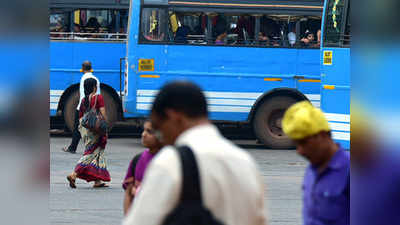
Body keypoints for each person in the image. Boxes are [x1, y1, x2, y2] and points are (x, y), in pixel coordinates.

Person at [122, 81, 267, 225]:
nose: (160, 136)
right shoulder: (245, 162)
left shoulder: (170, 162)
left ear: (173, 116)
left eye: (158, 127)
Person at [282, 101, 350, 225]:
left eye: (303, 143)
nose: (299, 151)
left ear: (322, 135)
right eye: (296, 144)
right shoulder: (311, 171)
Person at [66, 78, 110, 188]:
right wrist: (105, 128)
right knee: (91, 153)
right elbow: (103, 114)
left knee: (98, 153)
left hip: (86, 131)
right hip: (96, 130)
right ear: (95, 87)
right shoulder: (98, 97)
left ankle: (97, 181)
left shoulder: (83, 100)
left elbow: (81, 117)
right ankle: (74, 174)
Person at [122, 120, 163, 215]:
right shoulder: (138, 159)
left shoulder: (171, 160)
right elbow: (129, 192)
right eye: (144, 130)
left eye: (150, 132)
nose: (144, 134)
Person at [62, 61, 100, 153]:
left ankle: (72, 148)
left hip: (82, 107)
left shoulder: (83, 78)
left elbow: (83, 94)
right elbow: (98, 95)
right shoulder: (96, 79)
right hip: (93, 107)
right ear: (91, 68)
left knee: (77, 128)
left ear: (83, 68)